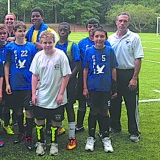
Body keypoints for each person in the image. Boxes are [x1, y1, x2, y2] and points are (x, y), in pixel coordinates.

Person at [30, 31, 71, 156]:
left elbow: (66, 75)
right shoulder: (38, 56)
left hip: (57, 95)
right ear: (41, 43)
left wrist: (61, 94)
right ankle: (41, 143)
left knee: (55, 122)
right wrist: (33, 94)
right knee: (40, 121)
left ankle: (54, 144)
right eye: (45, 43)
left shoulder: (61, 55)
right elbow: (35, 75)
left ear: (54, 42)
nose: (47, 45)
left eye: (50, 43)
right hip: (42, 94)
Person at [108, 12, 144, 143]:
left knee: (131, 105)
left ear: (128, 23)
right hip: (115, 74)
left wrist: (134, 78)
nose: (122, 23)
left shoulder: (134, 37)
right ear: (116, 22)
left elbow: (138, 58)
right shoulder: (110, 39)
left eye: (125, 21)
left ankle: (134, 131)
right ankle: (115, 126)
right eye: (120, 21)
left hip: (129, 74)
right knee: (114, 103)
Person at [83, 27, 118, 153]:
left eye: (101, 36)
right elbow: (85, 70)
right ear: (93, 38)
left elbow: (113, 68)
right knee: (93, 110)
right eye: (96, 36)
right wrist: (85, 87)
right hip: (93, 87)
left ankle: (105, 137)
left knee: (104, 111)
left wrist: (114, 87)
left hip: (105, 87)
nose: (99, 39)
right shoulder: (88, 51)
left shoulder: (110, 51)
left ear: (106, 38)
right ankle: (91, 137)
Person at [4, 21, 37, 151]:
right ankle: (21, 133)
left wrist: (37, 82)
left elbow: (36, 66)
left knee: (29, 110)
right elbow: (6, 65)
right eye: (19, 31)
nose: (21, 33)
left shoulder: (31, 47)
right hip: (15, 85)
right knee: (17, 110)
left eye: (23, 31)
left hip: (28, 85)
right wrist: (7, 83)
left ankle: (29, 136)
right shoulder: (9, 47)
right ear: (14, 32)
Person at [76, 18, 110, 132]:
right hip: (85, 76)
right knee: (82, 101)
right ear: (87, 28)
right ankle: (79, 125)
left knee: (100, 105)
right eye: (89, 26)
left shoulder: (106, 43)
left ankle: (104, 128)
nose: (92, 28)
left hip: (100, 78)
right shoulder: (82, 43)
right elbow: (80, 61)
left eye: (94, 26)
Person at [55, 22, 81, 151]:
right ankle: (58, 128)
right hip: (56, 83)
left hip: (69, 83)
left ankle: (72, 136)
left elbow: (77, 65)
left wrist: (69, 77)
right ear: (58, 31)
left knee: (69, 107)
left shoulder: (72, 46)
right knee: (56, 106)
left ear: (69, 32)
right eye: (61, 29)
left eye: (66, 29)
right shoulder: (54, 45)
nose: (63, 30)